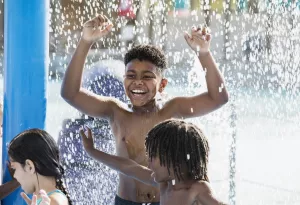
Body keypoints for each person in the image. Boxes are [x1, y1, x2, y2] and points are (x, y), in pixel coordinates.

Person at [61, 14, 229, 204]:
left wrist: (204, 54)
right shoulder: (115, 111)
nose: (138, 82)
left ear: (162, 84)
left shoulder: (172, 110)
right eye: (131, 76)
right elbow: (70, 94)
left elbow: (218, 98)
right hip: (125, 201)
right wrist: (85, 42)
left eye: (147, 76)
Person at [80, 119, 228, 205]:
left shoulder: (197, 189)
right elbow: (127, 166)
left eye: (153, 157)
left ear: (175, 159)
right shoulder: (164, 185)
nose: (148, 164)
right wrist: (92, 151)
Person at [8, 129, 72, 205]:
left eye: (14, 168)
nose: (14, 175)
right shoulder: (50, 199)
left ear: (30, 166)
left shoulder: (53, 202)